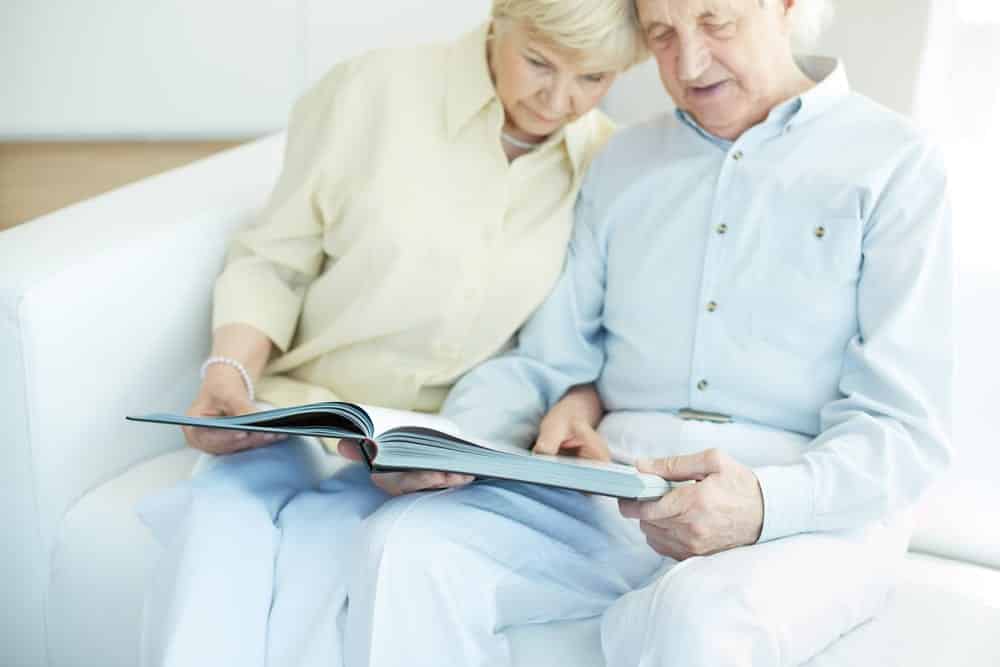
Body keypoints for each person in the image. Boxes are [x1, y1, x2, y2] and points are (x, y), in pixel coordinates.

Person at [343, 0, 953, 665]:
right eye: (661, 34)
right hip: (618, 488)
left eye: (715, 22)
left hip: (801, 504)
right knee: (405, 546)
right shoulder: (623, 160)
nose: (688, 63)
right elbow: (547, 359)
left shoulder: (896, 163)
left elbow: (903, 428)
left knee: (697, 620)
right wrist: (447, 444)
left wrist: (761, 503)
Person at [137, 2, 645, 666]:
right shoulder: (372, 92)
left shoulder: (601, 162)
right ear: (501, 17)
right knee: (216, 539)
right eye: (539, 62)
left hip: (428, 449)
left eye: (593, 78)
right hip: (292, 418)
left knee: (331, 575)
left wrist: (569, 409)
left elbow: (569, 337)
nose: (558, 99)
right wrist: (226, 371)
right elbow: (274, 258)